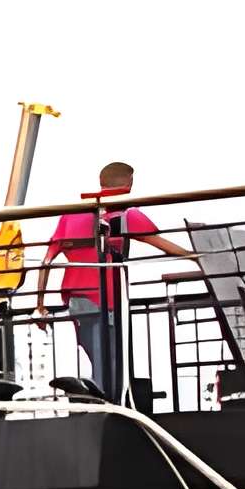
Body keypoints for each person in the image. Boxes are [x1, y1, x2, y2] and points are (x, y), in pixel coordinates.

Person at [32, 162, 201, 404]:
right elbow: (163, 246)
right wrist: (197, 258)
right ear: (128, 185)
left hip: (76, 298)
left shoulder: (71, 215)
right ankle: (100, 403)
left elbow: (46, 262)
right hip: (108, 299)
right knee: (109, 361)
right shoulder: (128, 215)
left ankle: (91, 396)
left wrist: (40, 305)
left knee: (98, 356)